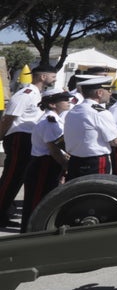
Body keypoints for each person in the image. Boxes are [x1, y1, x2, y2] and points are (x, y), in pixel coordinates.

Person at [0, 63, 56, 227]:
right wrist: (1, 136)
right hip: (20, 138)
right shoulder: (26, 94)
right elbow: (9, 118)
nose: (55, 79)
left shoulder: (39, 94)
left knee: (18, 178)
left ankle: (4, 211)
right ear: (42, 77)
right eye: (52, 76)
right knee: (11, 177)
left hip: (29, 139)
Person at [20, 88, 74, 232]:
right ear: (52, 104)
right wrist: (66, 164)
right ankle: (30, 234)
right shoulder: (49, 122)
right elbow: (53, 149)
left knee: (44, 200)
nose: (68, 102)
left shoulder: (55, 119)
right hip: (43, 165)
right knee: (37, 202)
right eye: (63, 99)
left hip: (47, 164)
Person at [62, 75, 117, 181]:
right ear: (99, 93)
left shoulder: (74, 110)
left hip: (74, 160)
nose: (110, 93)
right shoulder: (101, 112)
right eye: (108, 90)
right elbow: (114, 142)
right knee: (95, 194)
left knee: (75, 194)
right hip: (95, 162)